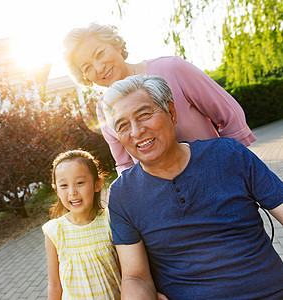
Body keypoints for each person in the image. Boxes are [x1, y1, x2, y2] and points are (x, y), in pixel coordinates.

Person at [102, 74, 283, 299]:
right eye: (123, 125)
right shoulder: (122, 194)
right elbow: (135, 277)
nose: (137, 131)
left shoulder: (228, 154)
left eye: (145, 114)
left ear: (171, 112)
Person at [63, 23, 256, 175]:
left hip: (217, 175)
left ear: (115, 45)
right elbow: (125, 164)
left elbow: (231, 115)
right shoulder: (104, 109)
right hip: (169, 200)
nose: (98, 68)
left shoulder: (173, 69)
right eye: (87, 67)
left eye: (100, 53)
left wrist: (235, 165)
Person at [42, 149, 122, 299]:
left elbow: (129, 272)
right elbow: (54, 285)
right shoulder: (55, 231)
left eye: (79, 183)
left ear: (97, 185)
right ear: (57, 191)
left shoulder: (110, 221)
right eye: (64, 185)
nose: (72, 192)